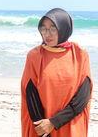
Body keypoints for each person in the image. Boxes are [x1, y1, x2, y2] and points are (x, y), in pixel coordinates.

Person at [21, 8, 93, 137]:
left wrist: (53, 122)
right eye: (43, 28)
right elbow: (30, 94)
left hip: (70, 124)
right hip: (41, 127)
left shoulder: (80, 55)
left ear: (64, 28)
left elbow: (82, 97)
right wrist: (44, 129)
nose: (47, 34)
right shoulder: (34, 56)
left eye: (53, 29)